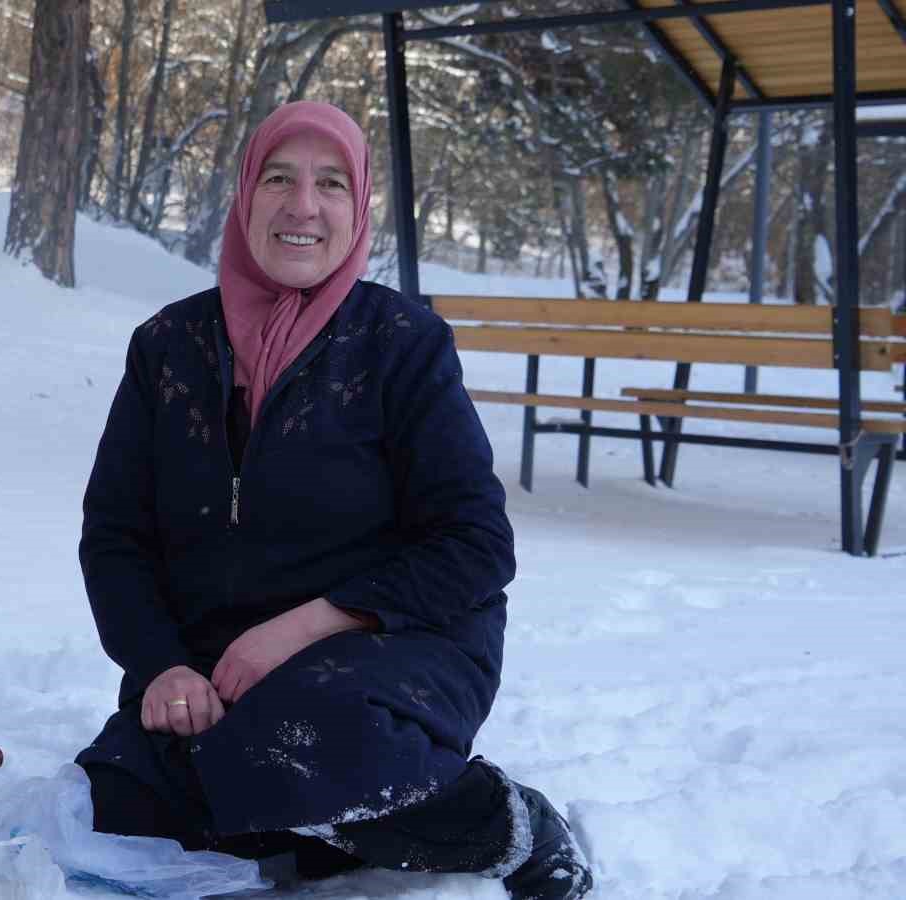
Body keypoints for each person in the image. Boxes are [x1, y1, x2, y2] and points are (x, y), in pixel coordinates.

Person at [74, 101, 593, 900]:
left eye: (330, 184)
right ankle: (322, 830)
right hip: (215, 663)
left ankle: (507, 825)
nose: (302, 207)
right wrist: (162, 666)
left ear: (359, 210)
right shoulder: (167, 347)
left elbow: (477, 545)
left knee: (291, 744)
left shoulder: (402, 344)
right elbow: (115, 537)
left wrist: (310, 623)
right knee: (122, 798)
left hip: (396, 647)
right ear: (245, 195)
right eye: (279, 178)